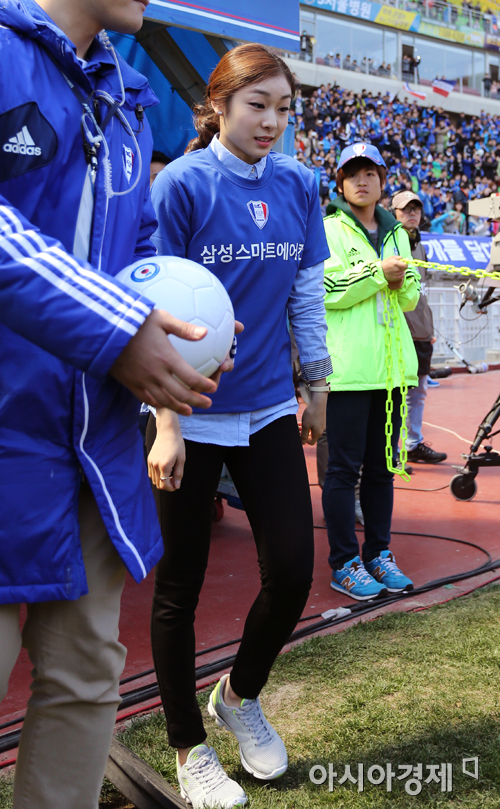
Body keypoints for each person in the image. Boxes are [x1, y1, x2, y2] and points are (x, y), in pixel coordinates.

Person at [0, 1, 225, 807]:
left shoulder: (127, 100)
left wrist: (178, 367)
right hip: (8, 434)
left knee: (89, 673)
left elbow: (139, 260)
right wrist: (120, 328)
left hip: (94, 442)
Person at [147, 43, 332, 808]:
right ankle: (189, 746)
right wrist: (164, 422)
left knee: (292, 570)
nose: (272, 122)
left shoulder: (300, 185)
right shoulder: (181, 185)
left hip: (265, 413)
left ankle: (241, 693)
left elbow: (306, 294)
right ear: (217, 105)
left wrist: (315, 384)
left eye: (284, 109)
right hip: (186, 413)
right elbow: (153, 308)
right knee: (180, 586)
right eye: (258, 104)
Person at [322, 144, 419, 601]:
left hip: (393, 371)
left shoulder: (397, 232)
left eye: (371, 173)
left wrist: (398, 280)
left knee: (382, 471)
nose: (363, 181)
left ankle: (379, 553)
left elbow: (412, 297)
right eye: (353, 174)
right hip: (349, 372)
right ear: (340, 183)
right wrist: (379, 274)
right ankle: (344, 562)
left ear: (383, 182)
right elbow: (328, 289)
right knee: (342, 471)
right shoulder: (328, 228)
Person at [391, 191, 447, 464]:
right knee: (395, 394)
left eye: (416, 209)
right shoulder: (390, 245)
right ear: (394, 213)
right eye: (405, 209)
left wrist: (429, 326)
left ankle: (413, 444)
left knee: (419, 392)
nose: (412, 213)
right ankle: (391, 447)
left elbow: (421, 292)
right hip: (399, 331)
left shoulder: (421, 246)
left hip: (422, 332)